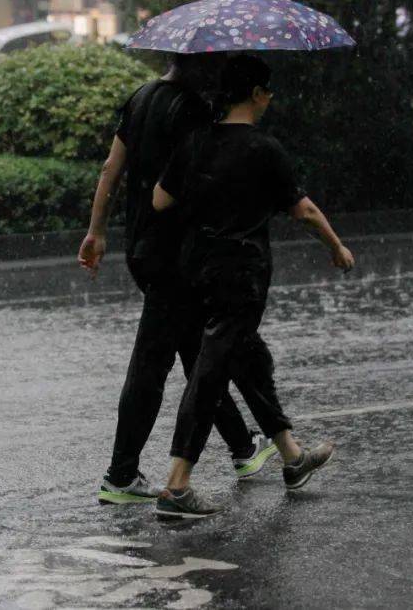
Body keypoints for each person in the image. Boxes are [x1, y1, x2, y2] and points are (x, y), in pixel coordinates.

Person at [151, 55, 355, 519]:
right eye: (269, 91)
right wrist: (337, 247)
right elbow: (303, 211)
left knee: (249, 359)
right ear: (258, 94)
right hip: (240, 274)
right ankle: (177, 485)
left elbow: (160, 200)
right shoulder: (264, 148)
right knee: (211, 371)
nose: (271, 98)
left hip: (196, 269)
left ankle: (291, 457)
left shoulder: (195, 140)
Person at [78, 53, 279, 506]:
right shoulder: (190, 109)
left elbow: (111, 168)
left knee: (198, 351)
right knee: (154, 362)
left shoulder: (141, 98)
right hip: (178, 255)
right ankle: (121, 474)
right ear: (198, 64)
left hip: (142, 248)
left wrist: (96, 231)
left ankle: (244, 449)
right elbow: (199, 180)